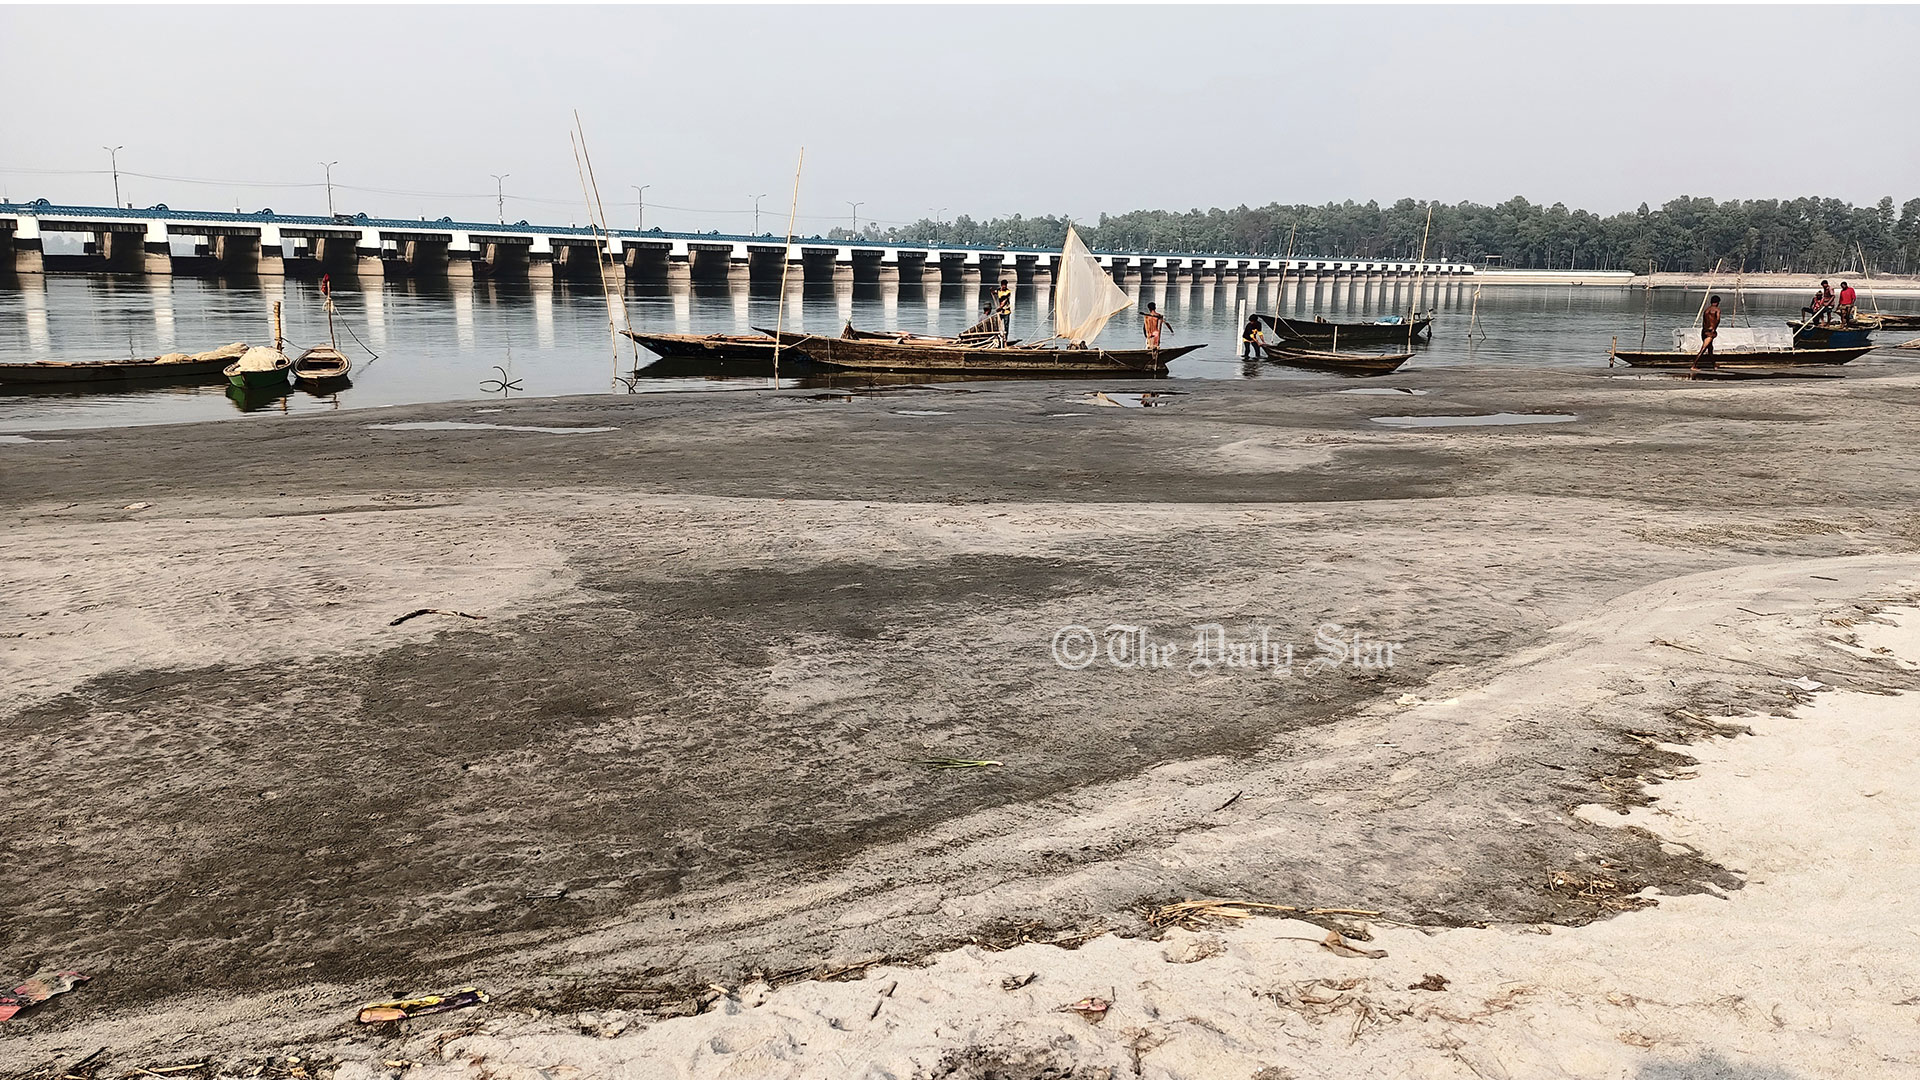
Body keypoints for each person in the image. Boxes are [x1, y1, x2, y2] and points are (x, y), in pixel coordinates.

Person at [1695, 294, 1721, 370]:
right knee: (1703, 349)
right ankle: (1694, 365)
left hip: (1704, 331)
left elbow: (1704, 322)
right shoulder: (1717, 310)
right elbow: (1717, 320)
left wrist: (1705, 330)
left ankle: (1714, 365)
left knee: (1710, 349)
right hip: (1710, 332)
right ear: (1717, 302)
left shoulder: (1706, 310)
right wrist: (1714, 330)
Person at [992, 278, 1012, 343]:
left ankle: (1005, 339)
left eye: (1005, 285)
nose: (1004, 286)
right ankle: (997, 339)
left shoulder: (1008, 292)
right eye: (1003, 285)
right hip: (1000, 312)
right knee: (998, 325)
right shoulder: (998, 290)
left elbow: (1004, 301)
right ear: (1001, 285)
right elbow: (995, 292)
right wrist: (992, 291)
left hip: (1006, 311)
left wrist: (1000, 308)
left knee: (1006, 325)